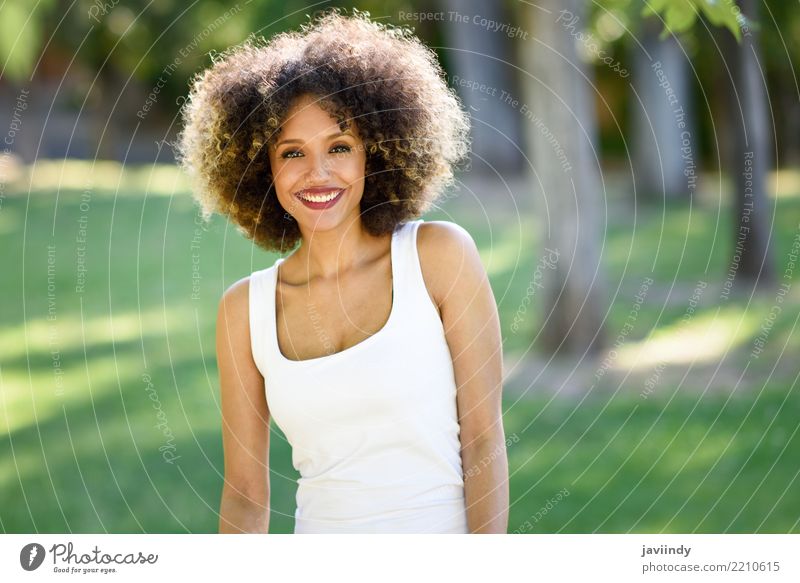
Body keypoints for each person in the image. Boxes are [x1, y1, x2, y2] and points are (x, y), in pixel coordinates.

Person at [177, 9, 508, 534]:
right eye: (292, 153)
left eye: (339, 147)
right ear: (262, 170)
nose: (318, 173)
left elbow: (484, 438)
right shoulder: (245, 311)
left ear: (375, 154)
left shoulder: (439, 257)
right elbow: (244, 495)